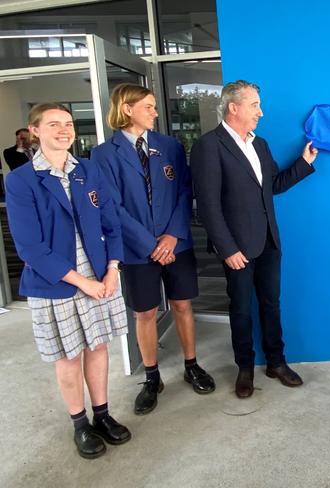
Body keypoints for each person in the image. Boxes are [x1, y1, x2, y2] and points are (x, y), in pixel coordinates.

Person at [5, 103, 130, 459]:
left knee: (99, 347)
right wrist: (83, 282)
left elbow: (111, 222)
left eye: (69, 123)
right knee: (69, 355)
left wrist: (112, 269)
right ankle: (80, 424)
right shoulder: (21, 181)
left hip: (100, 275)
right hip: (56, 282)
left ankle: (103, 415)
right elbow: (30, 248)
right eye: (54, 124)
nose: (64, 130)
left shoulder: (87, 170)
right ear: (35, 131)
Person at [91, 84, 215, 415]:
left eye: (155, 106)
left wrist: (172, 236)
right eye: (149, 106)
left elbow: (184, 191)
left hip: (177, 245)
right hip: (136, 250)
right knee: (144, 313)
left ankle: (191, 365)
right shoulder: (104, 154)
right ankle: (151, 377)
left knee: (182, 305)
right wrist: (151, 245)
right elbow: (111, 206)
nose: (155, 112)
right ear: (127, 108)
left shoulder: (170, 146)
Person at [190, 80, 318, 398]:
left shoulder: (259, 144)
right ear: (234, 108)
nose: (261, 112)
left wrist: (305, 164)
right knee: (242, 310)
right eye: (254, 105)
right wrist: (227, 248)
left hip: (269, 242)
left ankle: (276, 362)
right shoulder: (209, 145)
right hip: (237, 248)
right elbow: (208, 206)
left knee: (271, 305)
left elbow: (272, 186)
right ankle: (244, 369)